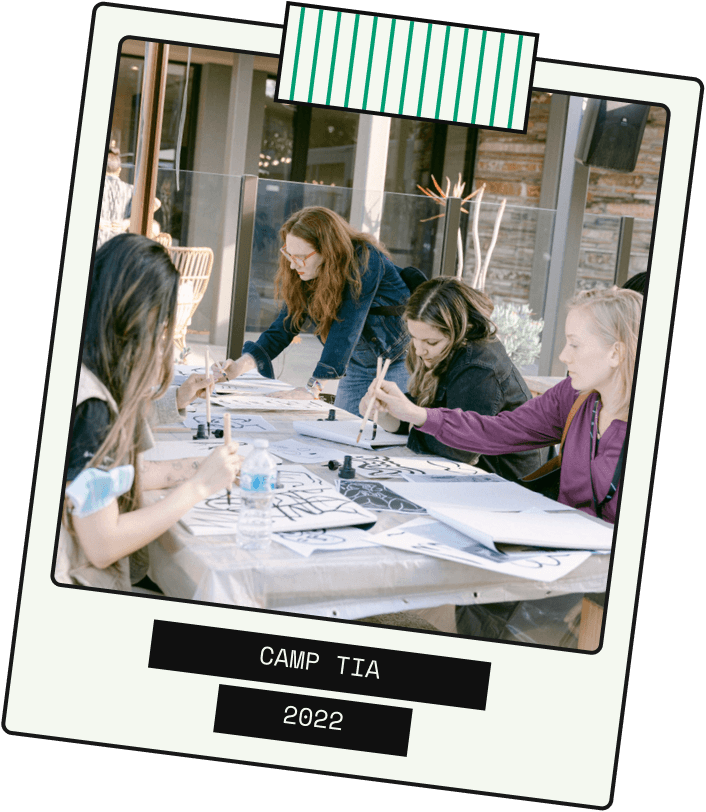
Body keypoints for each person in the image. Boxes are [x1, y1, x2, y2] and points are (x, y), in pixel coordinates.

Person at [370, 286, 643, 643]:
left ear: (616, 352)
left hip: (604, 582)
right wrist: (418, 415)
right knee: (476, 597)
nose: (563, 355)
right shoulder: (574, 396)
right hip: (556, 558)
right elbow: (500, 431)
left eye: (574, 344)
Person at [56, 234, 240, 592]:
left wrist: (199, 467)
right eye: (163, 325)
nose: (164, 338)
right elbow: (103, 544)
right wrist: (199, 486)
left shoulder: (88, 371)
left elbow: (117, 475)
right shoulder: (93, 408)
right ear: (140, 319)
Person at [217, 206, 411, 416]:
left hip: (397, 359)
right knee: (345, 427)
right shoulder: (307, 272)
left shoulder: (366, 260)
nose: (293, 265)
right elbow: (283, 328)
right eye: (289, 255)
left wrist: (313, 388)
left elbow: (347, 325)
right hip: (357, 364)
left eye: (301, 257)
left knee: (389, 428)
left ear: (329, 251)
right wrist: (238, 366)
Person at [359, 277, 541, 480]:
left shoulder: (479, 366)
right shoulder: (447, 351)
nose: (419, 350)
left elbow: (460, 450)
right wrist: (386, 411)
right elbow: (426, 411)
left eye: (430, 342)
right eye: (414, 338)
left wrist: (413, 418)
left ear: (461, 331)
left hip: (506, 483)